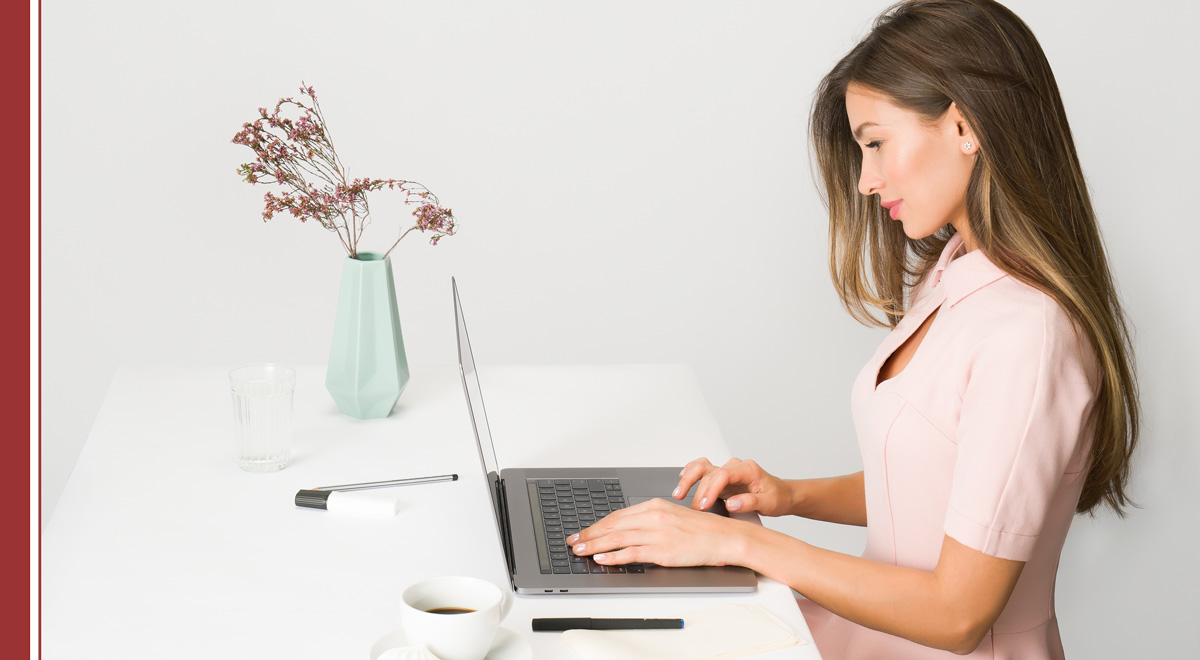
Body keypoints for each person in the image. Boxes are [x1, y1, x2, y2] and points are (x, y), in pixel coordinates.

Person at [567, 1, 1139, 657]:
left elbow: (958, 614)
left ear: (964, 125)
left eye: (875, 143)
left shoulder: (1029, 335)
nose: (866, 180)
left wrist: (741, 542)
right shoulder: (952, 279)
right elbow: (937, 482)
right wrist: (787, 495)